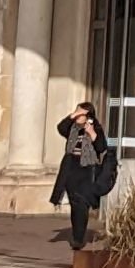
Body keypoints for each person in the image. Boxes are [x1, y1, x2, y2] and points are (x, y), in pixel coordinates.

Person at [51, 102, 115, 250]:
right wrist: (73, 115)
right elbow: (61, 128)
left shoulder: (95, 128)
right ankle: (76, 234)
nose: (77, 117)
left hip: (87, 169)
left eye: (81, 114)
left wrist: (92, 134)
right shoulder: (72, 128)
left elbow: (101, 147)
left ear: (88, 116)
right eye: (76, 113)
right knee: (74, 202)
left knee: (82, 202)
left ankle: (78, 239)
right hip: (71, 166)